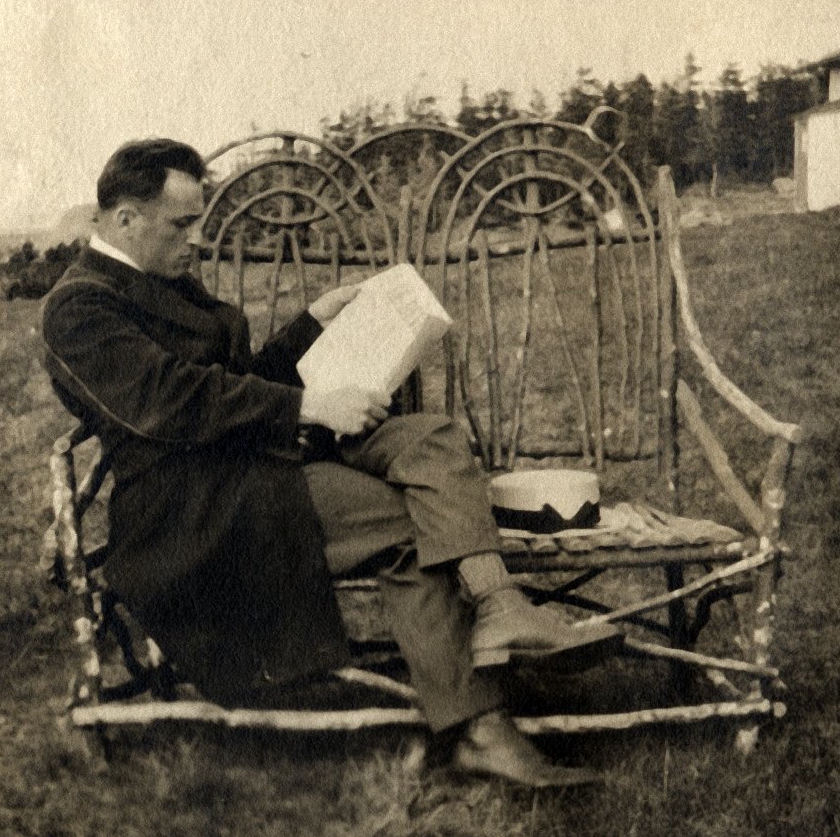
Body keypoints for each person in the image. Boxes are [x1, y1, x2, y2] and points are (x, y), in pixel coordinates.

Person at [40, 138, 623, 788]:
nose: (199, 237)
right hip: (199, 505)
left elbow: (238, 379)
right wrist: (311, 406)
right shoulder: (80, 307)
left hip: (255, 458)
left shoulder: (159, 275)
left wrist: (311, 325)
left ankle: (500, 605)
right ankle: (477, 729)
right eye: (184, 223)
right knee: (406, 527)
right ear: (124, 219)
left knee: (427, 435)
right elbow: (169, 401)